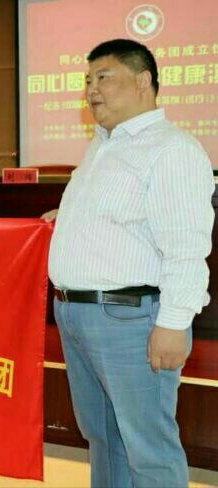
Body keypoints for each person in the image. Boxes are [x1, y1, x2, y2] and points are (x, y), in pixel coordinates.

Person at [43, 39, 214, 487]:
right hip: (77, 314)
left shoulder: (171, 148)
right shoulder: (102, 147)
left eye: (103, 77)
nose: (91, 90)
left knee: (148, 449)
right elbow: (125, 216)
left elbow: (186, 246)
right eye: (88, 80)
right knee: (103, 438)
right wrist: (69, 218)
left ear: (142, 81)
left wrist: (174, 323)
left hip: (130, 319)